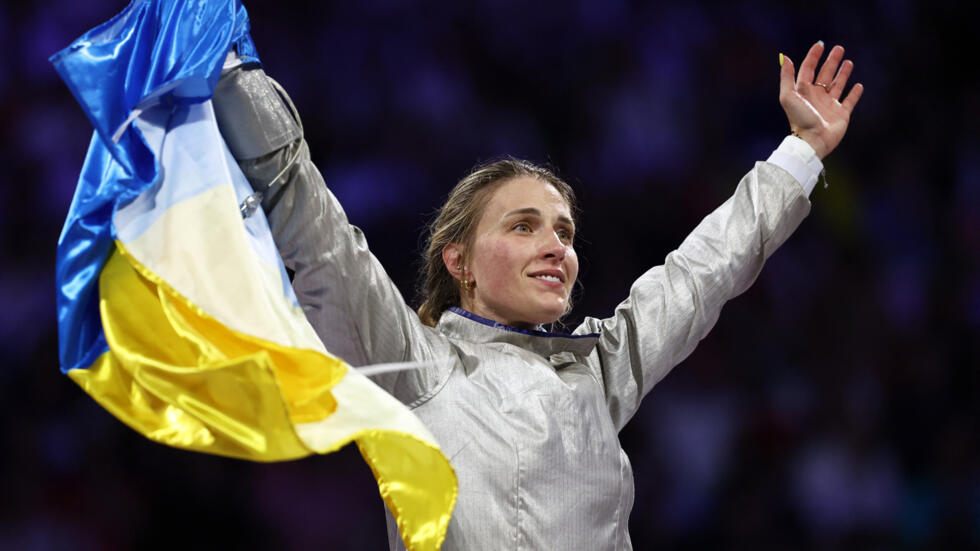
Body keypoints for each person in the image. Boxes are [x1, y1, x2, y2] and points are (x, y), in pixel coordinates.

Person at [213, 41, 862, 550]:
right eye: (523, 225)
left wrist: (801, 152)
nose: (556, 246)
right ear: (459, 259)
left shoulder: (601, 367)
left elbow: (708, 267)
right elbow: (316, 229)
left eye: (564, 231)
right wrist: (228, 66)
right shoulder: (418, 366)